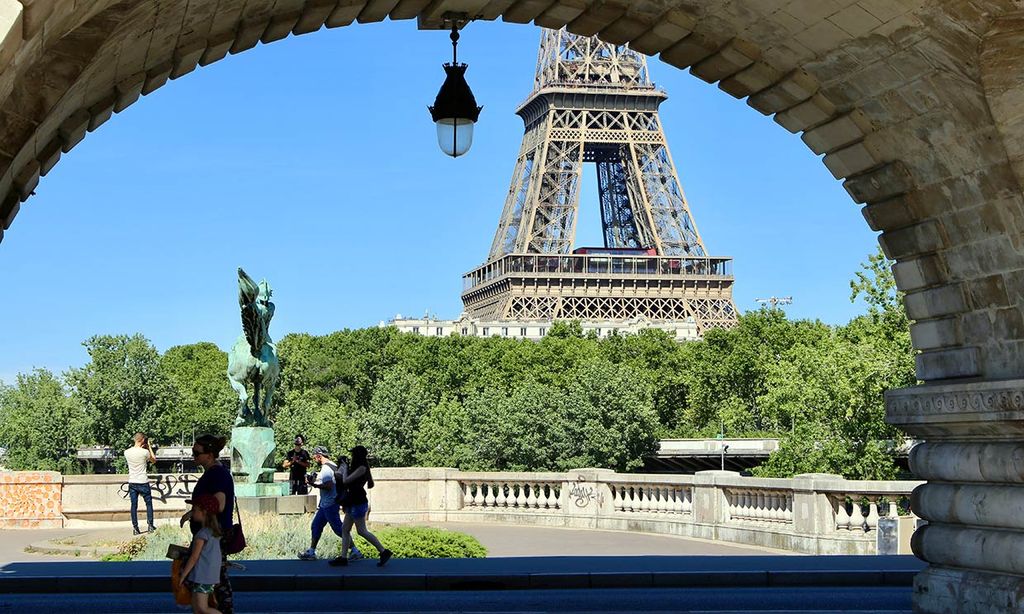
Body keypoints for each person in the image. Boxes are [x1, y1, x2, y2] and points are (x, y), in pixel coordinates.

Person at [181, 435, 235, 614]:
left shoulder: (217, 474)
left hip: (213, 536)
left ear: (210, 454)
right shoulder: (214, 472)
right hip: (211, 534)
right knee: (214, 576)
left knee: (214, 577)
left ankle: (220, 610)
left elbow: (219, 504)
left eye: (197, 453)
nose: (193, 456)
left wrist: (195, 511)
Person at [297, 446, 363, 561]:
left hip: (330, 504)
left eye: (314, 456)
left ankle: (355, 550)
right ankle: (311, 551)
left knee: (339, 529)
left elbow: (329, 486)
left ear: (319, 455)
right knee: (316, 526)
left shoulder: (326, 469)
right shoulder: (332, 465)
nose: (313, 458)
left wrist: (314, 484)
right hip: (325, 504)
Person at [329, 445, 391, 567]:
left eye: (353, 454)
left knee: (361, 531)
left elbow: (346, 481)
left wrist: (345, 467)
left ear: (357, 456)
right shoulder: (357, 467)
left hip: (358, 502)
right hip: (353, 501)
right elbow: (342, 478)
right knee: (345, 530)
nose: (351, 457)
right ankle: (343, 558)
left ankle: (383, 551)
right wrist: (341, 468)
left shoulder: (362, 468)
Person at [179, 494, 223, 614]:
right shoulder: (213, 532)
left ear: (204, 512)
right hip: (209, 575)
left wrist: (183, 575)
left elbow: (194, 557)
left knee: (202, 608)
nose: (192, 513)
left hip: (202, 576)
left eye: (194, 510)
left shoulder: (202, 535)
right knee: (196, 608)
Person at [124, 432, 156, 535]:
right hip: (143, 481)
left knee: (134, 505)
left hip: (132, 482)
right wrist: (149, 446)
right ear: (143, 440)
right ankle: (150, 525)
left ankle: (135, 528)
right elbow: (154, 460)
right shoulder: (144, 452)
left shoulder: (127, 452)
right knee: (149, 504)